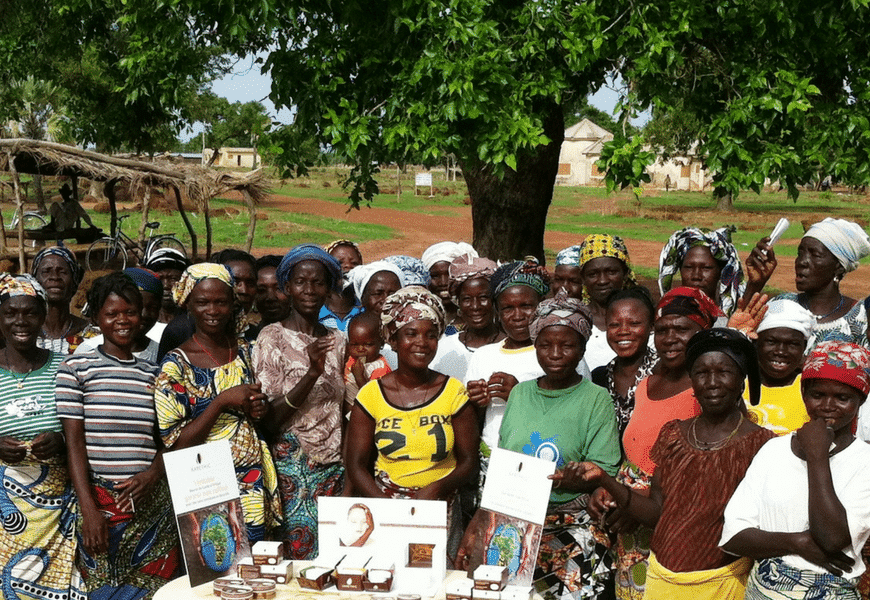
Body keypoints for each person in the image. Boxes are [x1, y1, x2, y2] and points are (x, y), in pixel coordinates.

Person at [581, 329, 776, 600]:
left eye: (724, 372)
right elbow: (656, 511)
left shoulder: (763, 444)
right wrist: (606, 481)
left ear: (741, 382)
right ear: (692, 383)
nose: (712, 382)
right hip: (662, 581)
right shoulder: (673, 434)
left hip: (721, 584)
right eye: (701, 373)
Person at [458, 290, 621, 599]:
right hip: (513, 519)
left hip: (572, 522)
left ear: (583, 347)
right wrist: (479, 523)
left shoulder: (596, 398)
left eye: (567, 345)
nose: (555, 353)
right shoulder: (520, 395)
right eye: (545, 345)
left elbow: (604, 466)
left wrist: (581, 477)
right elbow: (504, 466)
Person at [593, 286, 722, 600]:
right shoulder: (648, 382)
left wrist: (639, 499)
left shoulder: (710, 389)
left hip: (673, 522)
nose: (670, 338)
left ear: (703, 332)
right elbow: (635, 451)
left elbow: (710, 471)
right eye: (663, 330)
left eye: (682, 329)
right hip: (630, 522)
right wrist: (610, 489)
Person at [57, 273, 180, 598]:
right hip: (101, 506)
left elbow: (168, 439)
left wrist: (153, 474)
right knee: (104, 591)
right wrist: (90, 510)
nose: (122, 321)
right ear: (97, 317)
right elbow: (75, 444)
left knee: (156, 593)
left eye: (130, 312)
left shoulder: (156, 375)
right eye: (112, 314)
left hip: (152, 505)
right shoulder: (76, 369)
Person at [721, 340, 870, 599]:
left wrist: (817, 456)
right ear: (803, 395)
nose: (827, 406)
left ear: (861, 399)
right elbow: (735, 536)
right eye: (817, 395)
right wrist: (797, 542)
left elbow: (833, 539)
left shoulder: (864, 461)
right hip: (763, 589)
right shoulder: (773, 450)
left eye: (843, 398)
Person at [346, 286, 478, 560]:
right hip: (386, 508)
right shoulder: (371, 395)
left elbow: (468, 462)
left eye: (431, 335)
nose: (422, 342)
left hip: (440, 507)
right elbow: (356, 465)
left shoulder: (453, 392)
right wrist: (385, 508)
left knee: (437, 584)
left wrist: (438, 487)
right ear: (392, 340)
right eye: (411, 333)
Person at [154, 264, 281, 544]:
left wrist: (257, 409)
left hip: (252, 480)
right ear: (188, 304)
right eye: (202, 302)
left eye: (221, 302)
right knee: (215, 565)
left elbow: (260, 416)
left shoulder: (247, 351)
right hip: (205, 484)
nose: (212, 310)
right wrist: (221, 402)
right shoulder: (176, 366)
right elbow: (176, 446)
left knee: (256, 570)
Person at [253, 245, 347, 559]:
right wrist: (312, 374)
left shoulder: (338, 340)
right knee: (295, 565)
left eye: (318, 282)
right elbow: (268, 418)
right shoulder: (272, 337)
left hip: (335, 469)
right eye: (301, 282)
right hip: (291, 470)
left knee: (334, 561)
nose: (309, 290)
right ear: (287, 288)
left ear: (329, 289)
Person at [0, 274, 84, 599]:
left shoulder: (63, 368)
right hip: (5, 511)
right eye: (11, 313)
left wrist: (61, 441)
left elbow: (81, 430)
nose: (21, 321)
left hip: (58, 509)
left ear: (43, 315)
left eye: (31, 313)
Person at [757, 218, 870, 349]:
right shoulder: (782, 304)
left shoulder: (861, 317)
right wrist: (756, 284)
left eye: (815, 255)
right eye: (800, 253)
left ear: (839, 267)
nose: (802, 262)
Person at [591, 287, 658, 438]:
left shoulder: (663, 374)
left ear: (651, 326)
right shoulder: (598, 378)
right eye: (614, 325)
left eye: (634, 323)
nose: (623, 331)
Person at [744, 298, 814, 434]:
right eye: (771, 341)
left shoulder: (811, 390)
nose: (781, 351)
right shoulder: (738, 384)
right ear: (755, 343)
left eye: (792, 344)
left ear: (804, 347)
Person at [430, 254, 503, 381]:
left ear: (495, 300)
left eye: (483, 297)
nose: (475, 306)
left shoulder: (510, 347)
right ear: (458, 302)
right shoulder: (443, 348)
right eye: (467, 299)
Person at [577, 234, 639, 371]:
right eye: (593, 274)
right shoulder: (575, 320)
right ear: (582, 277)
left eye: (611, 272)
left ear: (625, 273)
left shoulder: (641, 319)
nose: (603, 280)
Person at [75, 267, 163, 363]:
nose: (144, 314)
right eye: (137, 308)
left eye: (153, 308)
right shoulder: (87, 350)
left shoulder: (161, 353)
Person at [658, 226, 745, 317]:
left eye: (706, 268)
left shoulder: (733, 319)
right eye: (688, 267)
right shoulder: (666, 317)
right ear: (680, 269)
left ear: (721, 271)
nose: (696, 276)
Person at [31, 245, 88, 354]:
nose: (55, 277)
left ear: (74, 281)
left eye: (62, 272)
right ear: (34, 281)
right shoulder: (23, 333)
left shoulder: (90, 335)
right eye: (46, 271)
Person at [421, 241, 478, 334]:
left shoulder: (478, 317)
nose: (443, 282)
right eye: (435, 276)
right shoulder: (421, 318)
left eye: (450, 274)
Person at [344, 311, 391, 418]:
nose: (360, 349)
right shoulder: (350, 358)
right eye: (354, 344)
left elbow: (375, 398)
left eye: (368, 344)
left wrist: (359, 377)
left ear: (381, 343)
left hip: (365, 415)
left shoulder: (381, 368)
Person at [320, 240, 363, 331]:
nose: (347, 266)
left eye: (354, 263)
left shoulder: (365, 311)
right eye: (339, 263)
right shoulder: (315, 312)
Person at [143, 246, 190, 327]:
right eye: (160, 279)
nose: (165, 285)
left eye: (173, 279)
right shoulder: (142, 321)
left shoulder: (192, 321)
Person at [254, 255, 291, 327]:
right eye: (261, 290)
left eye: (278, 288)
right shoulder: (246, 336)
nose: (270, 297)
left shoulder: (310, 335)